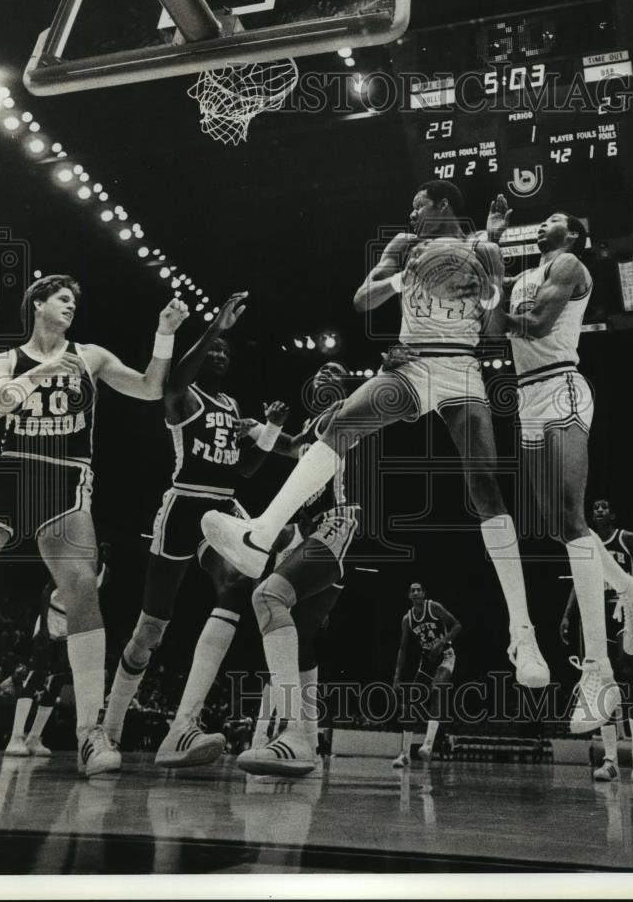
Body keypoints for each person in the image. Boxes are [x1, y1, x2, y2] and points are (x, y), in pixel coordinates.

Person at [203, 182, 549, 691]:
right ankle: (258, 536)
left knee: (485, 489)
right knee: (340, 426)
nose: (410, 213)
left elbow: (495, 321)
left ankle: (523, 634)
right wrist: (401, 279)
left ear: (443, 205)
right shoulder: (404, 245)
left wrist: (485, 268)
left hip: (461, 370)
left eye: (418, 205)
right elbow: (363, 298)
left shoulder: (484, 247)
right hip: (411, 365)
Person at [0, 274, 188, 776]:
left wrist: (165, 332)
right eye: (63, 298)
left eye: (76, 299)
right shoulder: (6, 359)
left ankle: (89, 733)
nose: (72, 306)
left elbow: (150, 387)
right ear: (38, 304)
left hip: (64, 479)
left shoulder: (90, 355)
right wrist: (44, 374)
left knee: (82, 592)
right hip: (11, 473)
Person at [102, 292, 291, 768]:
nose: (222, 355)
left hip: (222, 509)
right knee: (151, 629)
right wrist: (214, 330)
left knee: (235, 583)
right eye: (214, 351)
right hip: (183, 507)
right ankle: (109, 725)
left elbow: (246, 469)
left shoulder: (230, 405)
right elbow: (171, 382)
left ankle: (181, 727)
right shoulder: (185, 397)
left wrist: (268, 430)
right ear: (200, 355)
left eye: (227, 351)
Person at [494, 202, 633, 733]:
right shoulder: (520, 276)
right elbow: (496, 311)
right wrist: (493, 241)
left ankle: (598, 671)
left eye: (555, 219)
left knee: (569, 513)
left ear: (575, 234)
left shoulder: (569, 267)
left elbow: (535, 326)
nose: (544, 223)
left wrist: (495, 315)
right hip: (526, 398)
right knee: (563, 527)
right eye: (542, 221)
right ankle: (632, 591)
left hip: (563, 384)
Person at [234, 361, 357, 777]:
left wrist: (387, 374)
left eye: (335, 370)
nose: (325, 372)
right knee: (300, 637)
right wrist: (258, 428)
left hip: (336, 522)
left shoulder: (349, 411)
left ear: (344, 385)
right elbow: (291, 446)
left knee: (268, 596)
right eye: (321, 369)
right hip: (310, 531)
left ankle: (290, 731)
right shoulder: (311, 428)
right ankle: (306, 740)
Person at [560, 499, 633, 782]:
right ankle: (610, 760)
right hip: (596, 613)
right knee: (600, 681)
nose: (599, 511)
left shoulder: (626, 538)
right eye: (595, 508)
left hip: (623, 609)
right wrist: (567, 614)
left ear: (613, 513)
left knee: (628, 675)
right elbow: (579, 581)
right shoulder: (585, 540)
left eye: (604, 507)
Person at [4, 543, 111, 757]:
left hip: (71, 624)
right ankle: (15, 738)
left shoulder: (105, 573)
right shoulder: (73, 566)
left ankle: (34, 737)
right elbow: (46, 591)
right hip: (51, 616)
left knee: (58, 679)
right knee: (38, 673)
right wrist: (43, 627)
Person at [391, 581, 462, 768]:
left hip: (446, 656)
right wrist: (397, 676)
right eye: (412, 590)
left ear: (423, 593)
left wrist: (441, 642)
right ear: (409, 595)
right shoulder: (407, 619)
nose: (415, 593)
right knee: (411, 703)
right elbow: (403, 650)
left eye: (418, 590)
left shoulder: (434, 607)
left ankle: (428, 745)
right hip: (427, 661)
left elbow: (457, 625)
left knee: (437, 689)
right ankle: (405, 754)